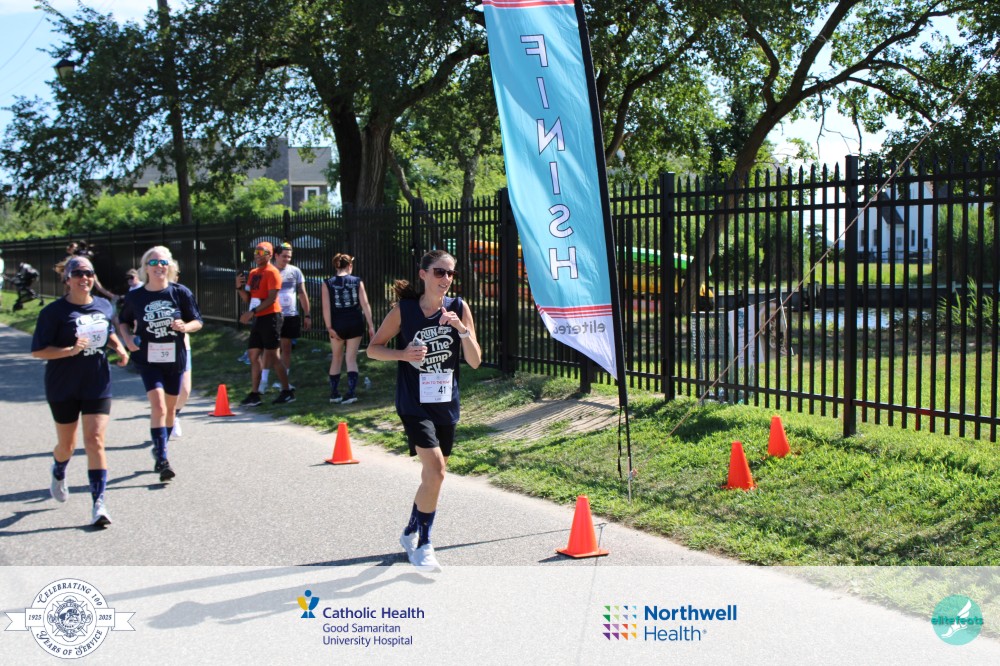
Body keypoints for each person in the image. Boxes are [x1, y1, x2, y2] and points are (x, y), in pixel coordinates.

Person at [367, 250, 481, 570]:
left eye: (450, 273)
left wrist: (461, 329)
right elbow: (373, 349)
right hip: (413, 403)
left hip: (445, 402)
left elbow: (475, 361)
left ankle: (409, 531)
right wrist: (403, 354)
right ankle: (424, 543)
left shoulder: (459, 308)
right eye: (439, 272)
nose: (446, 279)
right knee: (437, 470)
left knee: (433, 477)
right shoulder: (404, 310)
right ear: (423, 274)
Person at [31, 255, 130, 527]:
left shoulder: (103, 305)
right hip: (63, 385)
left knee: (95, 439)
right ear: (67, 279)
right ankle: (59, 469)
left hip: (96, 381)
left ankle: (99, 504)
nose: (84, 278)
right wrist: (70, 351)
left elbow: (107, 331)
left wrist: (119, 347)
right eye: (78, 274)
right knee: (67, 446)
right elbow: (39, 351)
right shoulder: (53, 313)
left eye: (89, 274)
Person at [119, 246, 203, 482]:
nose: (159, 267)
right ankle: (163, 458)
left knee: (170, 408)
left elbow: (197, 320)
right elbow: (123, 321)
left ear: (170, 266)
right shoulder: (136, 296)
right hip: (149, 358)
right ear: (145, 268)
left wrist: (185, 327)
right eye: (154, 263)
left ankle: (159, 447)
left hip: (174, 357)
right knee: (158, 406)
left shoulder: (180, 292)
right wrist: (128, 341)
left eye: (163, 262)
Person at [235, 241, 294, 406]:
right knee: (253, 355)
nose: (257, 255)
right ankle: (255, 394)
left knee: (273, 356)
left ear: (269, 255)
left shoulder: (272, 272)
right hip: (258, 318)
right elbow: (248, 298)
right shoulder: (253, 273)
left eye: (261, 252)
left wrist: (252, 312)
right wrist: (239, 288)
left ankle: (287, 391)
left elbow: (271, 298)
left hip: (271, 317)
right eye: (256, 252)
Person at [323, 253, 374, 404]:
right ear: (350, 265)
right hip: (355, 323)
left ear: (336, 266)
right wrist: (371, 325)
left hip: (337, 324)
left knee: (336, 358)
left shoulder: (327, 283)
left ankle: (334, 393)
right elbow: (365, 304)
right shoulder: (357, 281)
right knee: (351, 358)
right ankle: (351, 393)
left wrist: (329, 327)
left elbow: (326, 307)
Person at [270, 242, 311, 389]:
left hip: (290, 315)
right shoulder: (269, 271)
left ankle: (284, 381)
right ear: (276, 256)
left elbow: (302, 293)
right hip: (272, 315)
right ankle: (264, 379)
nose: (287, 259)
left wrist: (307, 314)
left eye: (289, 257)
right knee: (271, 348)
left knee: (286, 347)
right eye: (284, 256)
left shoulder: (295, 271)